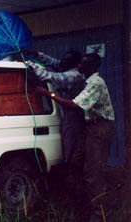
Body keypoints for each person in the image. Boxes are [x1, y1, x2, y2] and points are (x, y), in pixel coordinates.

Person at [36, 53, 115, 222]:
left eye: (83, 64)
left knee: (93, 171)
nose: (79, 66)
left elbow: (73, 105)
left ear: (92, 67)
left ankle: (98, 213)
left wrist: (48, 94)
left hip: (100, 128)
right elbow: (56, 62)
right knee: (76, 163)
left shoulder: (95, 83)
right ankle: (86, 205)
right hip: (91, 127)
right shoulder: (87, 80)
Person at [22, 50, 86, 183]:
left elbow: (48, 76)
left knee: (71, 150)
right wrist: (37, 54)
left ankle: (73, 182)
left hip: (73, 116)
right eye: (63, 58)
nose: (61, 61)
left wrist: (27, 63)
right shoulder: (68, 68)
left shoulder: (73, 76)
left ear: (74, 64)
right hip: (67, 115)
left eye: (66, 60)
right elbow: (54, 62)